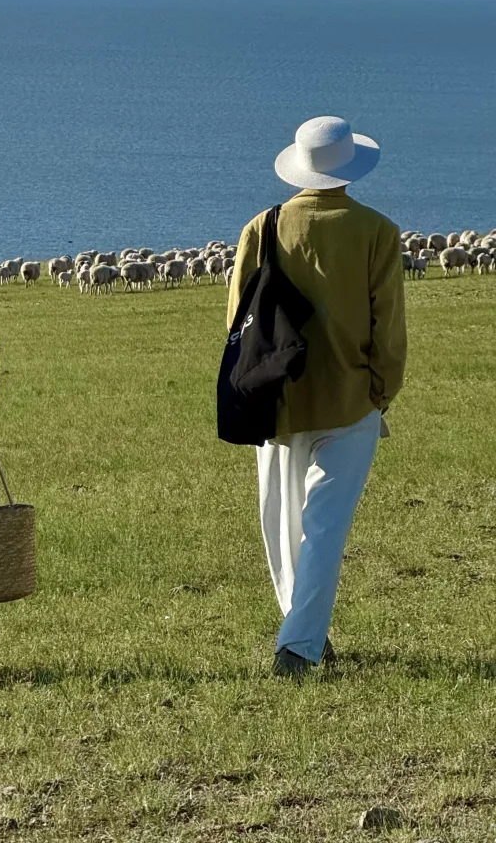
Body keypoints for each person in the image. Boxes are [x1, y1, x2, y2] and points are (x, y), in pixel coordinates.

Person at [228, 116, 407, 678]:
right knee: (325, 526)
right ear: (350, 168)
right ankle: (301, 644)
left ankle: (301, 635)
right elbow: (388, 328)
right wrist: (380, 393)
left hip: (277, 396)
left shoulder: (262, 227)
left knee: (283, 525)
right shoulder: (377, 231)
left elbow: (238, 318)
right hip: (350, 397)